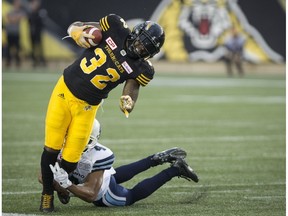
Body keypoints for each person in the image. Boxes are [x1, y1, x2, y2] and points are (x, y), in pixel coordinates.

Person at [39, 13, 165, 212]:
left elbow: (132, 87)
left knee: (71, 158)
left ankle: (61, 185)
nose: (140, 48)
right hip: (64, 91)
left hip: (88, 106)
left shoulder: (142, 68)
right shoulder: (115, 27)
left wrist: (129, 100)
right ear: (135, 33)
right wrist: (78, 32)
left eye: (146, 48)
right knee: (52, 148)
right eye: (141, 42)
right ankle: (47, 194)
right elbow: (77, 25)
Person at [46, 119, 199, 209]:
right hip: (99, 177)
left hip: (102, 193)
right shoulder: (64, 147)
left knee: (130, 196)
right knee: (113, 174)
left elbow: (91, 194)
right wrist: (58, 185)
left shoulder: (100, 155)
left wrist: (66, 185)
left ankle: (175, 170)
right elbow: (42, 175)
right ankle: (156, 158)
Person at [4, 0, 26, 68]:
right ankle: (8, 62)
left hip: (16, 33)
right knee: (9, 48)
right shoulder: (10, 10)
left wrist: (14, 18)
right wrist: (15, 18)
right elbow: (9, 18)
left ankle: (17, 62)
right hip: (10, 32)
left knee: (17, 48)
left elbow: (20, 17)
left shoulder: (20, 11)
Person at [27, 0, 46, 67]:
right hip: (32, 33)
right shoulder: (30, 12)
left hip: (38, 32)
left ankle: (42, 61)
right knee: (33, 47)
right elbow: (29, 22)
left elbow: (41, 22)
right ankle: (34, 61)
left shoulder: (40, 12)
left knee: (39, 47)